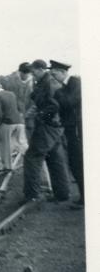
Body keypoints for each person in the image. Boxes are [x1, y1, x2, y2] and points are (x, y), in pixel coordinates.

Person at [23, 60, 71, 202]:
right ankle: (62, 193)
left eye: (34, 71)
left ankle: (31, 195)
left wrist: (41, 116)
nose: (32, 74)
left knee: (32, 157)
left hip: (48, 126)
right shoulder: (46, 82)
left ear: (41, 69)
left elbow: (54, 106)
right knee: (55, 158)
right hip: (55, 127)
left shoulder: (48, 83)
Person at [50, 60, 84, 207]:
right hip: (71, 129)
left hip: (78, 130)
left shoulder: (75, 83)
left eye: (55, 73)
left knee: (78, 162)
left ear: (63, 72)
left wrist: (58, 94)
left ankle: (85, 199)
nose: (53, 76)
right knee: (75, 163)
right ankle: (84, 197)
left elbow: (69, 102)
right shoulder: (66, 86)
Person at [0, 82, 27, 171]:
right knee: (21, 143)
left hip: (7, 123)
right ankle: (32, 157)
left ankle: (7, 167)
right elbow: (19, 107)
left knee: (5, 145)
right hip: (19, 121)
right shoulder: (11, 93)